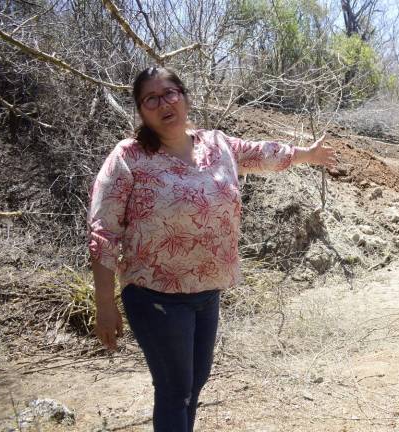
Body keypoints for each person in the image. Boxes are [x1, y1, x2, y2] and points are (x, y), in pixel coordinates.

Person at [88, 66, 335, 432]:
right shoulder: (130, 157)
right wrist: (105, 305)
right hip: (156, 295)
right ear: (141, 112)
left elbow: (260, 152)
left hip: (207, 290)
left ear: (185, 97)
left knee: (193, 385)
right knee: (174, 391)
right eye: (150, 99)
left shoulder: (216, 145)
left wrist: (306, 155)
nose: (163, 103)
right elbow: (103, 231)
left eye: (170, 92)